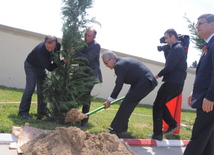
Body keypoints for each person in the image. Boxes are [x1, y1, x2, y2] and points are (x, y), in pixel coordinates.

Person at [102, 50, 157, 137]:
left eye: (106, 62)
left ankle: (117, 130)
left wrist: (109, 100)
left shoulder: (119, 65)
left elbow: (118, 85)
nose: (106, 66)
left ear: (112, 58)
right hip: (143, 82)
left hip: (145, 82)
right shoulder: (121, 62)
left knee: (127, 103)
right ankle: (122, 127)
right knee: (128, 103)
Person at [184, 14, 214, 155]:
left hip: (209, 100)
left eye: (200, 23)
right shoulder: (209, 44)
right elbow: (205, 74)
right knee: (207, 139)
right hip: (205, 97)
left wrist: (210, 97)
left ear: (212, 24)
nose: (197, 26)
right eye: (196, 23)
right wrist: (194, 92)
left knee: (199, 136)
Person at [151, 29, 187, 141]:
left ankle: (158, 134)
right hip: (176, 84)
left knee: (157, 105)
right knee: (160, 104)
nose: (165, 41)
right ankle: (172, 125)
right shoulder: (177, 48)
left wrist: (158, 75)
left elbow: (169, 67)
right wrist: (165, 50)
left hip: (172, 82)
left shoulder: (177, 48)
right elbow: (169, 62)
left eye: (166, 38)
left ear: (173, 37)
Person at [18, 35, 62, 119]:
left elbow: (55, 58)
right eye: (48, 47)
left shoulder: (58, 46)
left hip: (41, 68)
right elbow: (50, 68)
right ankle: (23, 112)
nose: (49, 50)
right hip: (31, 66)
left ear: (56, 44)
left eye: (52, 48)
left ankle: (42, 111)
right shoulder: (41, 50)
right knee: (30, 87)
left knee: (43, 88)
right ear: (45, 42)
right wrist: (63, 62)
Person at [76, 28, 102, 127]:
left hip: (91, 75)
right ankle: (74, 116)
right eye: (86, 35)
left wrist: (75, 52)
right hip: (82, 73)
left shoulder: (96, 45)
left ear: (94, 37)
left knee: (86, 95)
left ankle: (84, 120)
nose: (86, 37)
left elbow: (87, 58)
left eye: (89, 36)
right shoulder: (83, 44)